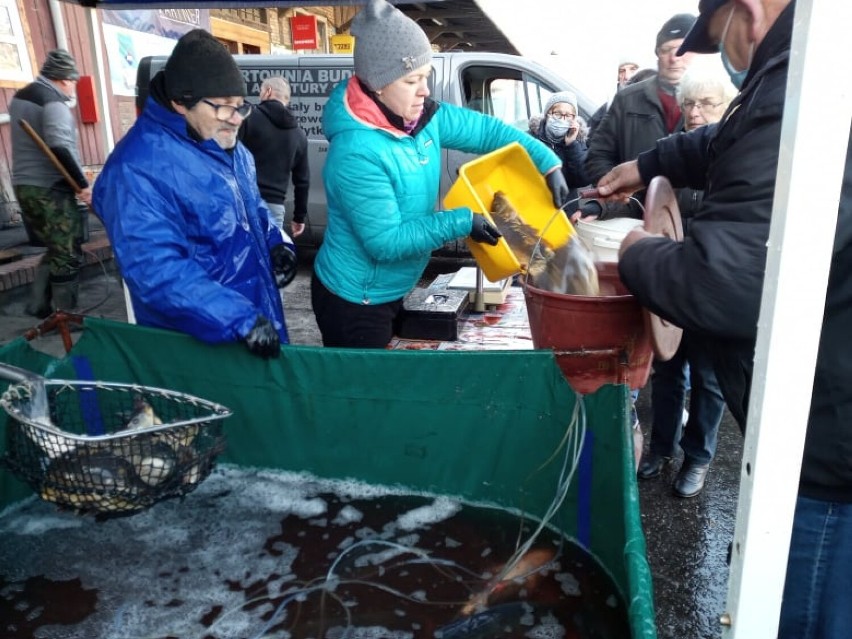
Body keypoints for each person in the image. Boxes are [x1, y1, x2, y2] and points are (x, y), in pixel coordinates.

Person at [596, 1, 851, 636]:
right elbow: (732, 140)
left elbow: (721, 284)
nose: (729, 56)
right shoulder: (802, 72)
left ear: (749, 11)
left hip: (827, 447)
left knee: (808, 609)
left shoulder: (812, 83)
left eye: (720, 37)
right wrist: (649, 163)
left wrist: (635, 250)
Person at [311, 0, 569, 348]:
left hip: (391, 288)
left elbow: (488, 132)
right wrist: (463, 222)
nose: (425, 90)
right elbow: (387, 243)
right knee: (364, 395)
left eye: (426, 76)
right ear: (378, 85)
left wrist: (546, 160)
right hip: (355, 298)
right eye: (411, 80)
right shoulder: (357, 152)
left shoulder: (424, 119)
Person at [93, 29, 298, 359]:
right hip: (198, 342)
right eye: (222, 107)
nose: (235, 119)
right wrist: (238, 319)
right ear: (179, 103)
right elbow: (157, 270)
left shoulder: (229, 146)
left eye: (240, 106)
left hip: (252, 319)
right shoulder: (136, 168)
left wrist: (278, 243)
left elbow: (254, 211)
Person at [634, 59, 736, 498]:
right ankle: (661, 448)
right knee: (668, 370)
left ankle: (698, 458)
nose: (695, 112)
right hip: (675, 282)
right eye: (689, 103)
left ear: (727, 106)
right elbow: (649, 207)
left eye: (707, 104)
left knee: (709, 379)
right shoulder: (672, 152)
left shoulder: (737, 155)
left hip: (715, 285)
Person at [10, 49, 92, 317]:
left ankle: (38, 305)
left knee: (56, 248)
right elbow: (59, 144)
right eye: (73, 82)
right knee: (67, 253)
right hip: (51, 189)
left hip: (25, 186)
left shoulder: (22, 97)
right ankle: (66, 316)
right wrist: (82, 185)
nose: (73, 89)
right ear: (64, 79)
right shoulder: (53, 102)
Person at [239, 76, 310, 239]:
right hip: (275, 207)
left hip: (244, 200)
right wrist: (299, 217)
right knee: (268, 257)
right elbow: (302, 181)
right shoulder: (299, 135)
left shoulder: (248, 118)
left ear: (268, 92)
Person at [532, 91, 591, 215]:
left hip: (565, 210)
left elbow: (583, 179)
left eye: (569, 115)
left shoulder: (578, 141)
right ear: (548, 114)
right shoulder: (531, 138)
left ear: (574, 119)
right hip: (535, 207)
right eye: (558, 114)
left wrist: (571, 145)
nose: (563, 119)